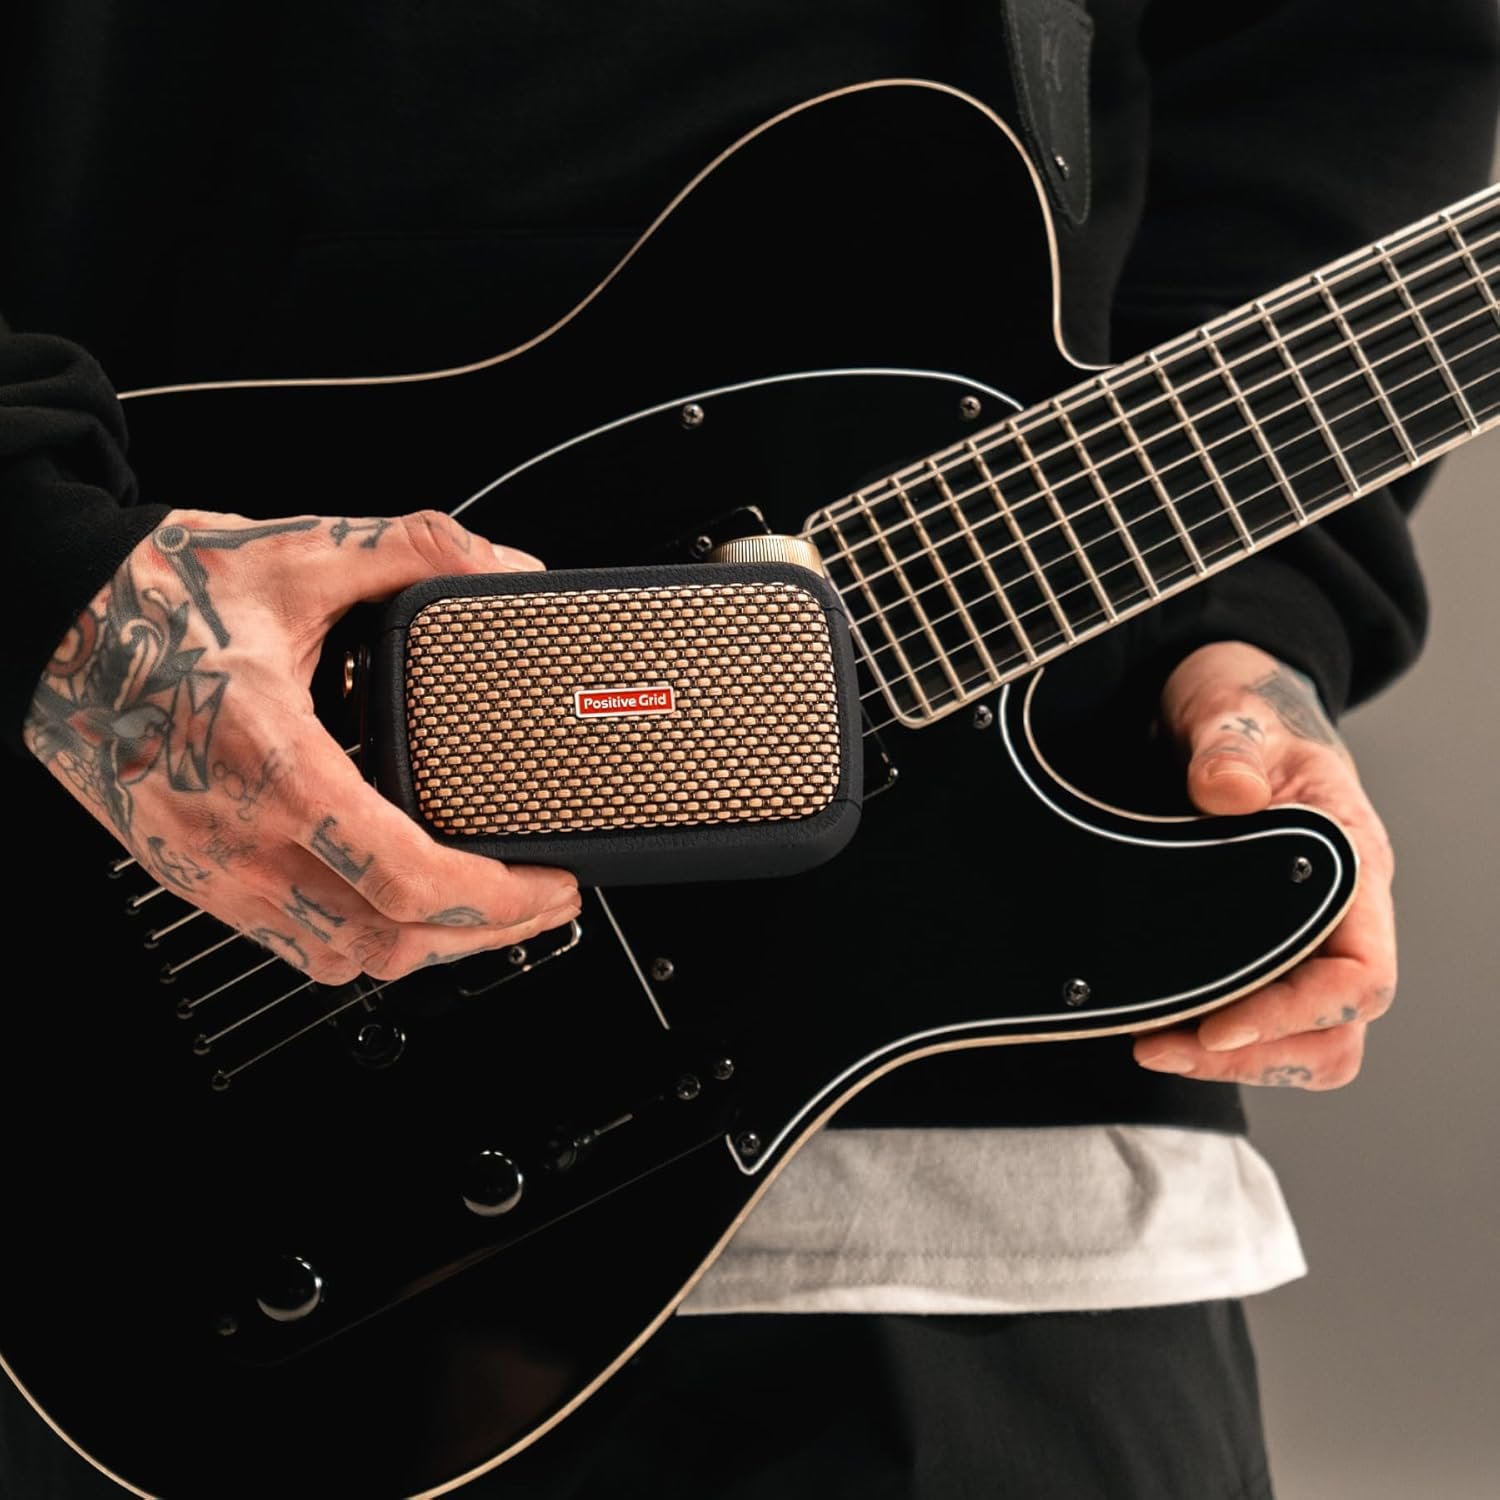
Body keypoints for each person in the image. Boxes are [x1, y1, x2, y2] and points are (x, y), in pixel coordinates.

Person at [1, 2, 1496, 1496]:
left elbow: (1342, 62)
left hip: (1005, 1214)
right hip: (120, 1099)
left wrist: (1248, 626)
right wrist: (48, 567)